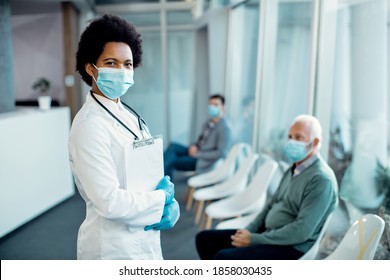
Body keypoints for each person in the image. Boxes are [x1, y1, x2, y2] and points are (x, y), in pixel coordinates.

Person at [68, 14, 179, 260]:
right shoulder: (89, 125)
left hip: (143, 239)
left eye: (127, 64)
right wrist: (161, 199)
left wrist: (167, 200)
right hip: (112, 248)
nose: (121, 70)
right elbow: (109, 201)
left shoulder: (128, 114)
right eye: (111, 63)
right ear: (90, 68)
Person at [195, 115, 338, 260]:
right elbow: (271, 204)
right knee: (204, 239)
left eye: (298, 137)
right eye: (290, 136)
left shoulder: (321, 180)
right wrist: (248, 230)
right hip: (269, 233)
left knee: (223, 258)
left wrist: (254, 239)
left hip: (291, 247)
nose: (291, 142)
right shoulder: (294, 168)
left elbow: (301, 231)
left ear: (315, 142)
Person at [164, 94, 232, 178]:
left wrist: (199, 154)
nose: (212, 107)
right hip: (197, 151)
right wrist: (193, 146)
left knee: (171, 160)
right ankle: (165, 180)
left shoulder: (224, 128)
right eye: (210, 104)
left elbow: (221, 153)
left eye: (215, 105)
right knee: (172, 146)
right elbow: (201, 141)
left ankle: (164, 184)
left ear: (223, 107)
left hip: (202, 159)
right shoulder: (208, 123)